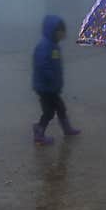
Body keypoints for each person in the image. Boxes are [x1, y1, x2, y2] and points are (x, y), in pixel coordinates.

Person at [32, 15, 80, 146]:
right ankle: (39, 132)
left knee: (60, 108)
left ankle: (67, 129)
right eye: (61, 32)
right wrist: (51, 78)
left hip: (52, 87)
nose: (63, 35)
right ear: (53, 31)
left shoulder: (54, 46)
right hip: (45, 88)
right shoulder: (44, 46)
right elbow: (42, 65)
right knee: (49, 112)